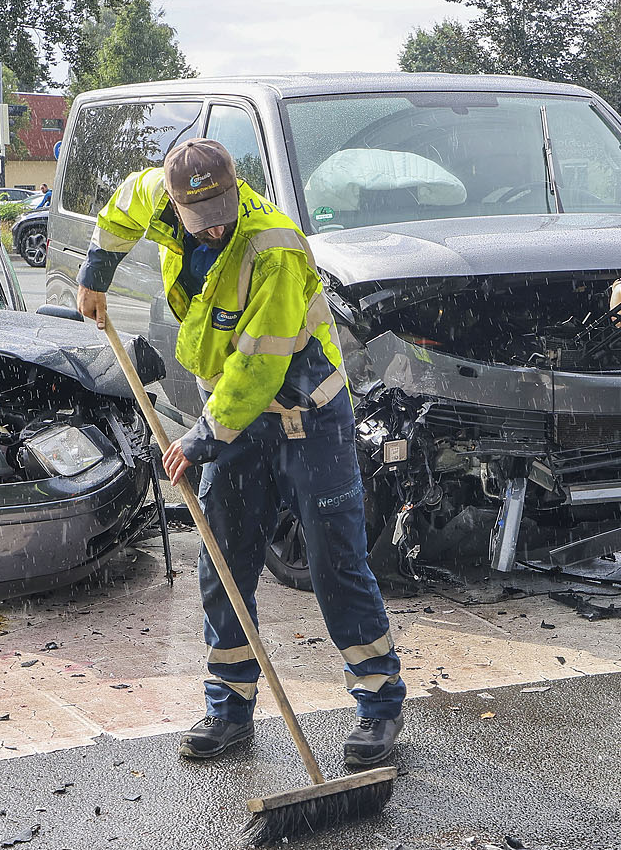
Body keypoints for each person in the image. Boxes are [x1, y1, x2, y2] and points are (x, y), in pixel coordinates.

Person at [76, 140, 405, 767]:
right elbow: (123, 204)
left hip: (304, 414)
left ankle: (380, 706)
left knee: (335, 561)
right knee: (224, 558)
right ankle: (229, 708)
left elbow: (258, 365)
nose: (216, 226)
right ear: (175, 203)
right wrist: (98, 268)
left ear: (238, 187)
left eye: (223, 210)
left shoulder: (272, 247)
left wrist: (200, 439)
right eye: (201, 219)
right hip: (233, 419)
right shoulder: (160, 197)